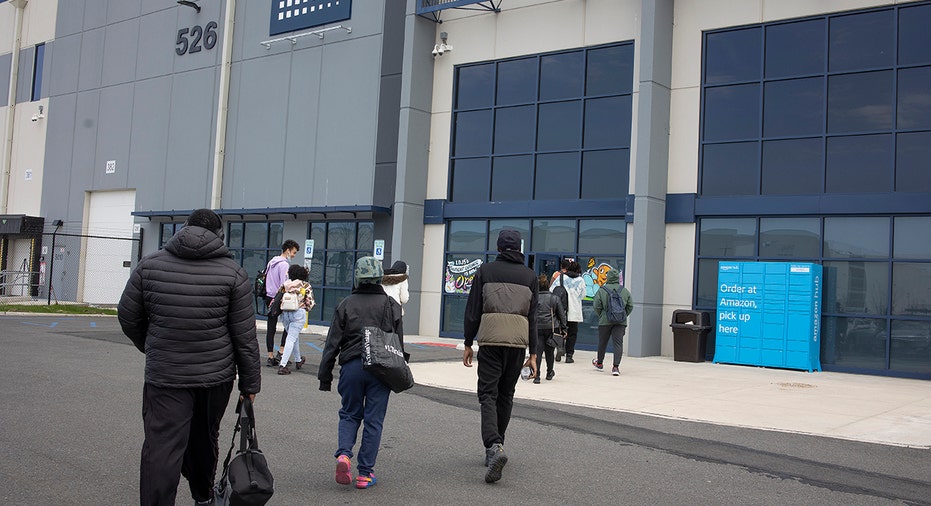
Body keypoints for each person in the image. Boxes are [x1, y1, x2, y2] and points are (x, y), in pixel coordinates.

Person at [117, 209, 261, 506]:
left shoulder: (150, 265)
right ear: (220, 235)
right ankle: (203, 497)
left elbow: (128, 316)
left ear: (183, 229)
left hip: (165, 375)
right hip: (214, 378)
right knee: (204, 439)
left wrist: (152, 345)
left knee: (161, 445)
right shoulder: (234, 273)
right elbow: (244, 336)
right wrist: (250, 385)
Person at [318, 256, 405, 490]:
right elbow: (399, 344)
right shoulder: (391, 305)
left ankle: (344, 455)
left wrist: (325, 376)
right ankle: (365, 473)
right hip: (381, 369)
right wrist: (402, 372)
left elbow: (332, 343)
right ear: (379, 278)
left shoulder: (346, 303)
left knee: (349, 413)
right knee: (373, 421)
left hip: (352, 366)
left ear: (357, 276)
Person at [462, 229, 538, 484]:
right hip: (517, 344)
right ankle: (498, 446)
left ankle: (493, 446)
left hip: (491, 341)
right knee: (506, 394)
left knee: (487, 393)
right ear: (518, 248)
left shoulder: (485, 271)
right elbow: (533, 318)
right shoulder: (530, 276)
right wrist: (534, 353)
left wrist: (468, 342)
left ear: (499, 247)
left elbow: (473, 308)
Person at [591, 268, 634, 376]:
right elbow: (630, 306)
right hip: (620, 322)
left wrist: (602, 315)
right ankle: (615, 367)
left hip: (605, 321)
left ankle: (599, 363)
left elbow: (596, 305)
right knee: (618, 344)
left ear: (608, 277)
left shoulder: (602, 290)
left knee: (602, 342)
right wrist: (623, 315)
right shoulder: (624, 291)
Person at [264, 239, 300, 367]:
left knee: (271, 327)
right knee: (289, 325)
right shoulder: (284, 265)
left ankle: (270, 356)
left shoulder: (271, 262)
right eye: (294, 252)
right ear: (288, 250)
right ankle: (281, 351)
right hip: (280, 298)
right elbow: (284, 285)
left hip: (269, 297)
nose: (294, 255)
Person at [276, 264, 316, 375]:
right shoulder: (305, 285)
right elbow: (310, 302)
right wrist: (306, 307)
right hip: (298, 313)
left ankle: (298, 360)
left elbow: (277, 297)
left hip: (285, 314)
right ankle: (282, 365)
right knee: (291, 338)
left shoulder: (285, 284)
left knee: (293, 337)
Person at [550, 260, 585, 363]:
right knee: (572, 333)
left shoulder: (561, 277)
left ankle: (560, 348)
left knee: (560, 331)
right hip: (574, 312)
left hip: (562, 310)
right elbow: (583, 294)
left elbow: (552, 290)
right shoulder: (581, 280)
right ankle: (569, 355)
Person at [533, 274, 566, 384]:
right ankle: (549, 372)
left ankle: (536, 375)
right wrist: (564, 328)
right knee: (549, 352)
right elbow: (561, 315)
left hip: (537, 327)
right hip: (552, 328)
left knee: (537, 352)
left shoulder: (534, 298)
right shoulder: (554, 298)